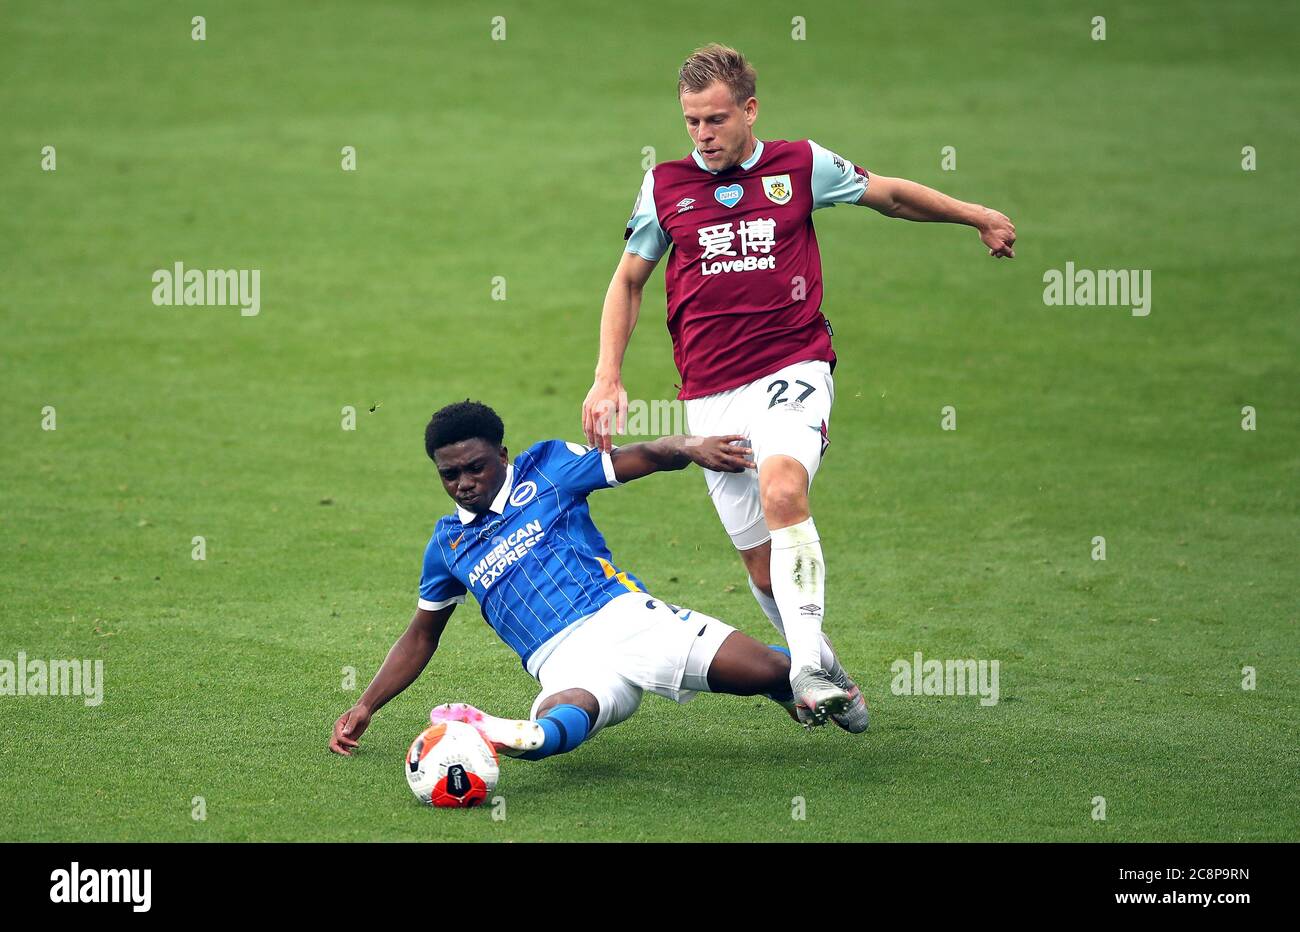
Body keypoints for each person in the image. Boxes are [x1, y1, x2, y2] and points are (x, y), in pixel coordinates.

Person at [581, 43, 1016, 727]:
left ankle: (805, 669)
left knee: (784, 487)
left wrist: (975, 215)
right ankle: (832, 673)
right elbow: (629, 278)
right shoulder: (663, 187)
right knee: (762, 572)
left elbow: (892, 197)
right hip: (710, 392)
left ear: (750, 110)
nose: (704, 135)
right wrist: (608, 376)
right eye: (691, 121)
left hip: (793, 367)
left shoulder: (800, 166)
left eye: (717, 119)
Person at [328, 399, 862, 763]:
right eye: (451, 475)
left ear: (503, 456)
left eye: (476, 467)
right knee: (553, 729)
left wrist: (691, 447)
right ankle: (506, 733)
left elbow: (642, 457)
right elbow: (422, 634)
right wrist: (366, 704)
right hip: (559, 660)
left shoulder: (548, 469)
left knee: (772, 674)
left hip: (622, 618)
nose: (465, 484)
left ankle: (808, 667)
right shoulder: (447, 546)